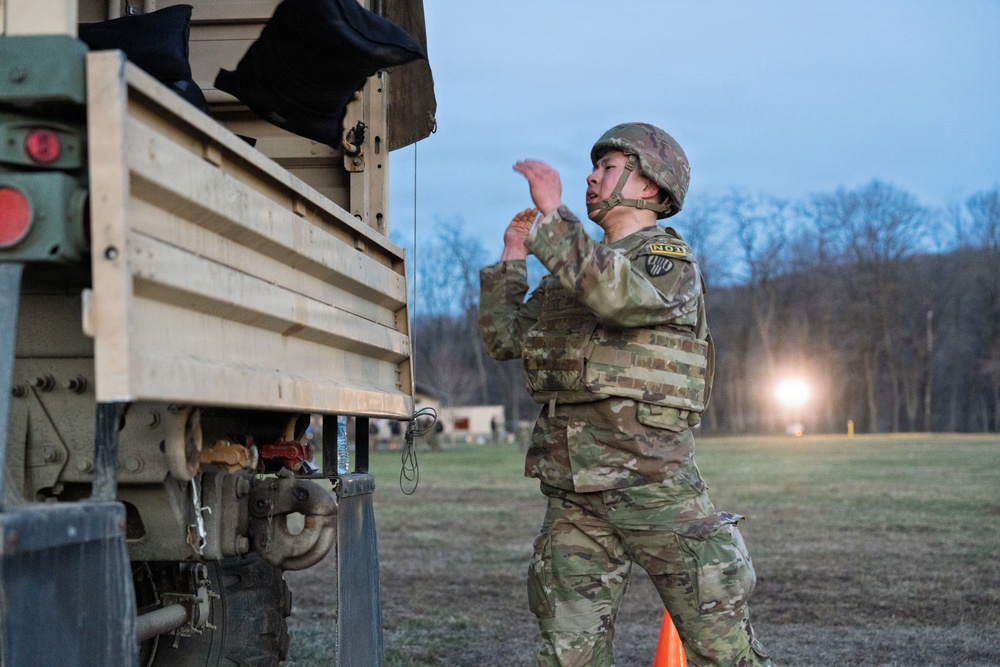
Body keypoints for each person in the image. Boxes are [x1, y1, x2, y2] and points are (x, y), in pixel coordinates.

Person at [478, 122, 771, 666]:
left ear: (651, 188)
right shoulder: (570, 275)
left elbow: (617, 298)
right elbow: (504, 339)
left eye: (610, 168)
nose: (592, 177)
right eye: (595, 167)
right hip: (574, 494)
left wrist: (554, 219)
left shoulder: (665, 262)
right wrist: (513, 256)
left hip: (655, 488)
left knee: (721, 649)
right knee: (569, 655)